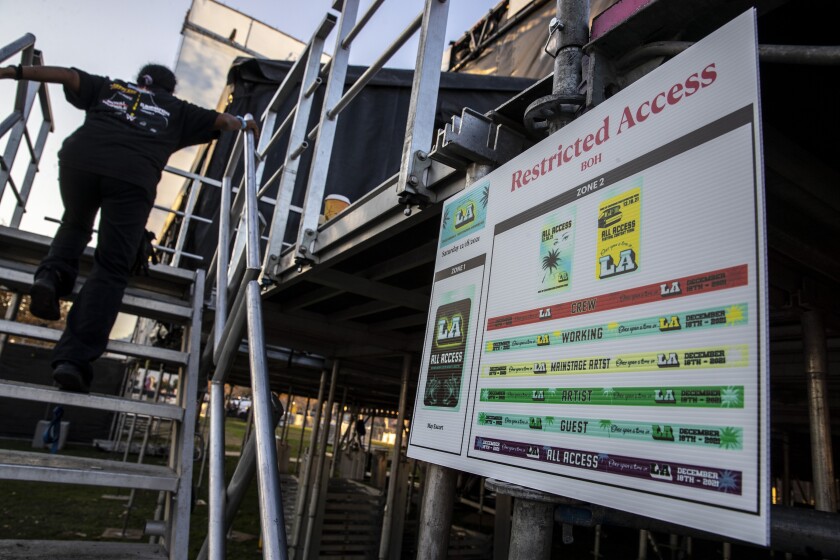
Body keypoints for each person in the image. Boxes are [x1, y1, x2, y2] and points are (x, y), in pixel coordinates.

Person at [0, 62, 259, 393]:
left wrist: (12, 72)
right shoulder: (177, 109)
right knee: (110, 268)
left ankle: (50, 277)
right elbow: (223, 121)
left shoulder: (110, 86)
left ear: (142, 81)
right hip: (132, 177)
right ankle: (72, 361)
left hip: (80, 159)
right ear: (170, 89)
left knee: (75, 223)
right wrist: (246, 123)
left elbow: (67, 75)